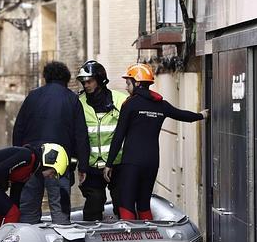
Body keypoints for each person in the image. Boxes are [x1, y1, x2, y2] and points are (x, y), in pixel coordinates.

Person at [103, 63, 209, 220]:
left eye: (128, 83)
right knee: (144, 204)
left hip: (131, 162)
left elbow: (119, 136)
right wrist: (201, 115)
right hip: (152, 163)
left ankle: (131, 240)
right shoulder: (161, 104)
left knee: (126, 203)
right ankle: (150, 238)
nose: (126, 87)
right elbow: (182, 115)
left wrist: (109, 164)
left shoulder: (130, 105)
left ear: (137, 83)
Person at [13, 61, 90, 225]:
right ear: (66, 79)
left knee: (28, 210)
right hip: (58, 163)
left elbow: (18, 129)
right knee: (60, 209)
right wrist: (81, 167)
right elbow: (81, 136)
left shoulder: (32, 97)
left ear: (45, 77)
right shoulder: (72, 100)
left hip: (31, 160)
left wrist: (19, 161)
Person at [0, 143, 69, 230]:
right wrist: (3, 187)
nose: (51, 176)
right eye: (53, 172)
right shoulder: (27, 156)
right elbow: (3, 168)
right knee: (12, 212)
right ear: (48, 161)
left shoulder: (30, 171)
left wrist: (8, 201)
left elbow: (16, 193)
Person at [76, 60, 129, 221]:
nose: (86, 85)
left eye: (89, 81)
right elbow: (75, 136)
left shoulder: (121, 100)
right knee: (94, 202)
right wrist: (80, 165)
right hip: (91, 165)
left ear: (100, 80)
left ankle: (127, 238)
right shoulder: (78, 103)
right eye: (83, 82)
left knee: (122, 202)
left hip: (117, 163)